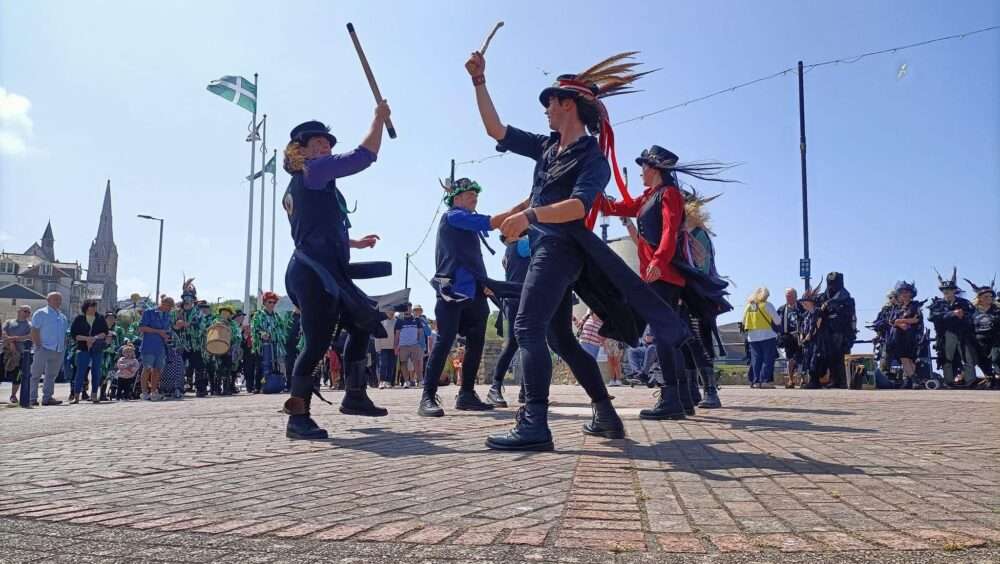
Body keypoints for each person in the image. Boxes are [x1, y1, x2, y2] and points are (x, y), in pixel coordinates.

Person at [466, 49, 695, 451]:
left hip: (560, 250)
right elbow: (495, 129)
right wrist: (479, 81)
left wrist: (531, 215)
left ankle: (534, 423)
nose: (545, 110)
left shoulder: (593, 158)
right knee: (561, 340)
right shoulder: (547, 147)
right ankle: (606, 416)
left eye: (550, 102)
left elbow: (578, 207)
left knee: (526, 327)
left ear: (567, 104)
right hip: (544, 247)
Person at [281, 102, 392, 440]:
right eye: (317, 143)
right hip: (312, 272)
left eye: (328, 143)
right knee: (316, 344)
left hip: (324, 269)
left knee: (363, 321)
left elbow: (320, 226)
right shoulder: (312, 171)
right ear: (301, 150)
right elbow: (362, 157)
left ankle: (355, 395)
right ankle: (297, 418)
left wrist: (354, 243)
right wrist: (378, 120)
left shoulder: (315, 181)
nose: (325, 147)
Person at [419, 177, 505, 416]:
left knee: (477, 342)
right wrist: (525, 209)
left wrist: (485, 284)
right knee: (445, 341)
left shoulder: (468, 222)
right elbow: (491, 222)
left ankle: (466, 393)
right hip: (452, 290)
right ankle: (427, 396)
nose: (474, 198)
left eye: (475, 195)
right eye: (469, 194)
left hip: (475, 291)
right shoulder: (453, 216)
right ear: (456, 199)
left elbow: (474, 258)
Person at [487, 235, 531, 407]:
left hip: (516, 299)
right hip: (517, 298)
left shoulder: (510, 250)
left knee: (523, 343)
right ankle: (495, 387)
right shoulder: (522, 244)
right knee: (517, 343)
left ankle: (524, 390)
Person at [927, 268, 981, 388]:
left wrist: (964, 315)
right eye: (945, 289)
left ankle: (970, 380)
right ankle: (948, 381)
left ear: (954, 290)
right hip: (946, 334)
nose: (947, 291)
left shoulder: (964, 302)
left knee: (967, 357)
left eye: (950, 289)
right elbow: (932, 317)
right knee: (947, 358)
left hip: (963, 333)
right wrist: (952, 314)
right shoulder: (937, 304)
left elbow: (973, 315)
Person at [812, 272, 857, 389]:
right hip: (827, 330)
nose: (832, 286)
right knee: (829, 355)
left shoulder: (847, 299)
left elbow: (850, 315)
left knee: (841, 356)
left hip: (842, 331)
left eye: (834, 283)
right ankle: (834, 379)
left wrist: (832, 306)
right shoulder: (823, 297)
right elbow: (816, 310)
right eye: (830, 283)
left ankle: (843, 380)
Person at [28, 293, 67, 406]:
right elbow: (34, 330)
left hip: (58, 349)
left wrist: (63, 346)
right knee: (35, 374)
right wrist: (38, 345)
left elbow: (64, 333)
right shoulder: (41, 313)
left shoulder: (62, 316)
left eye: (60, 299)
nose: (58, 301)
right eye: (55, 299)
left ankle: (47, 398)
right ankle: (32, 398)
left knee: (51, 375)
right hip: (43, 348)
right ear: (48, 300)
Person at [69, 299, 110, 404]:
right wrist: (87, 339)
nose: (93, 309)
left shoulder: (100, 318)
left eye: (95, 306)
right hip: (83, 348)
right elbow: (74, 334)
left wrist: (94, 338)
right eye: (91, 306)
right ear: (86, 307)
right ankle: (76, 396)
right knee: (80, 372)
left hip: (97, 349)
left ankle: (94, 395)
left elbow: (105, 332)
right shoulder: (79, 318)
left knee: (96, 372)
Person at [885, 281, 924, 388]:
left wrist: (899, 321)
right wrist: (899, 322)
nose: (904, 295)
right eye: (902, 292)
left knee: (910, 359)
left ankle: (913, 380)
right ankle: (913, 380)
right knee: (904, 358)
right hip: (898, 337)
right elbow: (891, 321)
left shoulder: (915, 305)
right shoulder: (897, 307)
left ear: (911, 293)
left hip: (911, 335)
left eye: (907, 292)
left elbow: (916, 320)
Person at [741, 288, 779, 389]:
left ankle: (756, 381)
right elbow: (778, 320)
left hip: (752, 337)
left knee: (756, 359)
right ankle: (765, 381)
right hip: (767, 335)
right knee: (768, 359)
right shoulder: (767, 305)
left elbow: (743, 321)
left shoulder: (749, 306)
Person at [139, 295, 174, 401]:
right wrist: (159, 332)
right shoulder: (149, 312)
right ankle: (144, 392)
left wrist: (167, 336)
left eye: (171, 307)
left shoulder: (168, 316)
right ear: (162, 303)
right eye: (168, 306)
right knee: (147, 368)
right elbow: (142, 328)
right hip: (149, 346)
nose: (169, 309)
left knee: (157, 369)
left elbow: (167, 330)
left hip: (161, 347)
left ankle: (154, 392)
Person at [966, 278, 999, 388]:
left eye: (991, 296)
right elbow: (968, 326)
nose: (989, 298)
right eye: (986, 296)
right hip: (978, 339)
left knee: (996, 357)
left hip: (995, 339)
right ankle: (990, 378)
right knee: (983, 361)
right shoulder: (972, 311)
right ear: (979, 298)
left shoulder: (997, 310)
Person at [3, 305, 33, 405]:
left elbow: (30, 336)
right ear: (19, 311)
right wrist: (11, 343)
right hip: (7, 352)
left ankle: (13, 395)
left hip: (21, 355)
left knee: (17, 375)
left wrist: (15, 338)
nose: (27, 314)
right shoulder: (9, 322)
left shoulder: (29, 325)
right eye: (25, 311)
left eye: (29, 312)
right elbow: (3, 333)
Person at [395, 304, 427, 389]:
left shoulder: (416, 319)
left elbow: (420, 332)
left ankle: (420, 381)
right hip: (403, 346)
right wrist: (395, 346)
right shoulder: (399, 320)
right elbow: (397, 335)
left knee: (417, 363)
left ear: (411, 309)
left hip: (414, 345)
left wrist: (418, 343)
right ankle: (406, 381)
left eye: (409, 308)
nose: (407, 310)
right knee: (403, 363)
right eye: (406, 308)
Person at [777, 289, 804, 388]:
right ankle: (791, 380)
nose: (788, 298)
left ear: (795, 296)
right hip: (788, 337)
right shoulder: (781, 309)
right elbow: (776, 322)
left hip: (800, 336)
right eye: (787, 296)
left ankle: (802, 379)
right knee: (790, 359)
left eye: (790, 296)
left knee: (801, 358)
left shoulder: (801, 307)